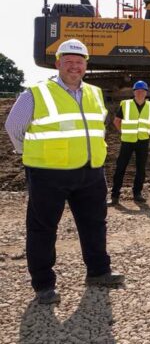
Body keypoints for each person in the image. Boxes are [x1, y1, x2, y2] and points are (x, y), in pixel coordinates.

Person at [4, 39, 124, 305]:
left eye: (79, 62)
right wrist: (33, 153)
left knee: (94, 224)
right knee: (43, 229)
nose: (74, 66)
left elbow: (96, 128)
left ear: (86, 65)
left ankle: (98, 271)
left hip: (90, 171)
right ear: (58, 63)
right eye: (68, 61)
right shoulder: (35, 93)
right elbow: (14, 128)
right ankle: (44, 285)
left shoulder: (94, 93)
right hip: (48, 173)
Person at [109, 80, 150, 205]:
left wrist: (147, 132)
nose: (140, 93)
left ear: (146, 93)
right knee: (121, 167)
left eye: (142, 91)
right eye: (138, 91)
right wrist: (123, 132)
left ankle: (137, 194)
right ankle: (115, 196)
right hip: (127, 141)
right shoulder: (126, 104)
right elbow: (116, 121)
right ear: (134, 92)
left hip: (143, 141)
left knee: (141, 169)